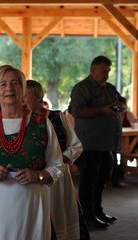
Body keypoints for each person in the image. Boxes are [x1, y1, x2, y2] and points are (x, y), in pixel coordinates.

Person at [0, 65, 64, 240]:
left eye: (14, 83)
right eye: (3, 84)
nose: (9, 88)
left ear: (22, 89)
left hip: (30, 208)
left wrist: (38, 176)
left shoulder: (42, 124)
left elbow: (57, 165)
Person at [24, 80, 87, 240]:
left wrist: (57, 161)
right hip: (34, 178)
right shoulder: (22, 121)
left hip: (58, 177)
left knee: (58, 214)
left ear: (38, 97)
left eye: (25, 96)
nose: (21, 100)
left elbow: (76, 146)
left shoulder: (57, 117)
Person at [70, 55, 123, 229]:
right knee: (89, 180)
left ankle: (97, 211)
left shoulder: (109, 88)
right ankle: (87, 216)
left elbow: (118, 100)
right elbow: (77, 111)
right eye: (103, 71)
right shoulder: (82, 88)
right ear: (93, 70)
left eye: (108, 71)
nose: (107, 74)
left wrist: (121, 104)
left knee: (103, 178)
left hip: (107, 142)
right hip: (90, 142)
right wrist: (102, 110)